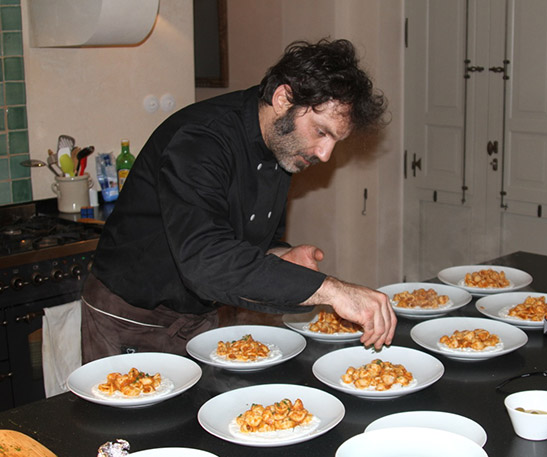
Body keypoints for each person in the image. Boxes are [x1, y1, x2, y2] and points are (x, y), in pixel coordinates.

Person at [80, 38, 396, 363]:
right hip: (130, 317)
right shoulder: (202, 139)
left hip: (199, 317)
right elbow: (205, 259)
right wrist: (331, 289)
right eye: (321, 132)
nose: (325, 154)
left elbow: (247, 241)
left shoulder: (282, 146)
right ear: (283, 99)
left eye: (335, 141)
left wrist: (280, 256)